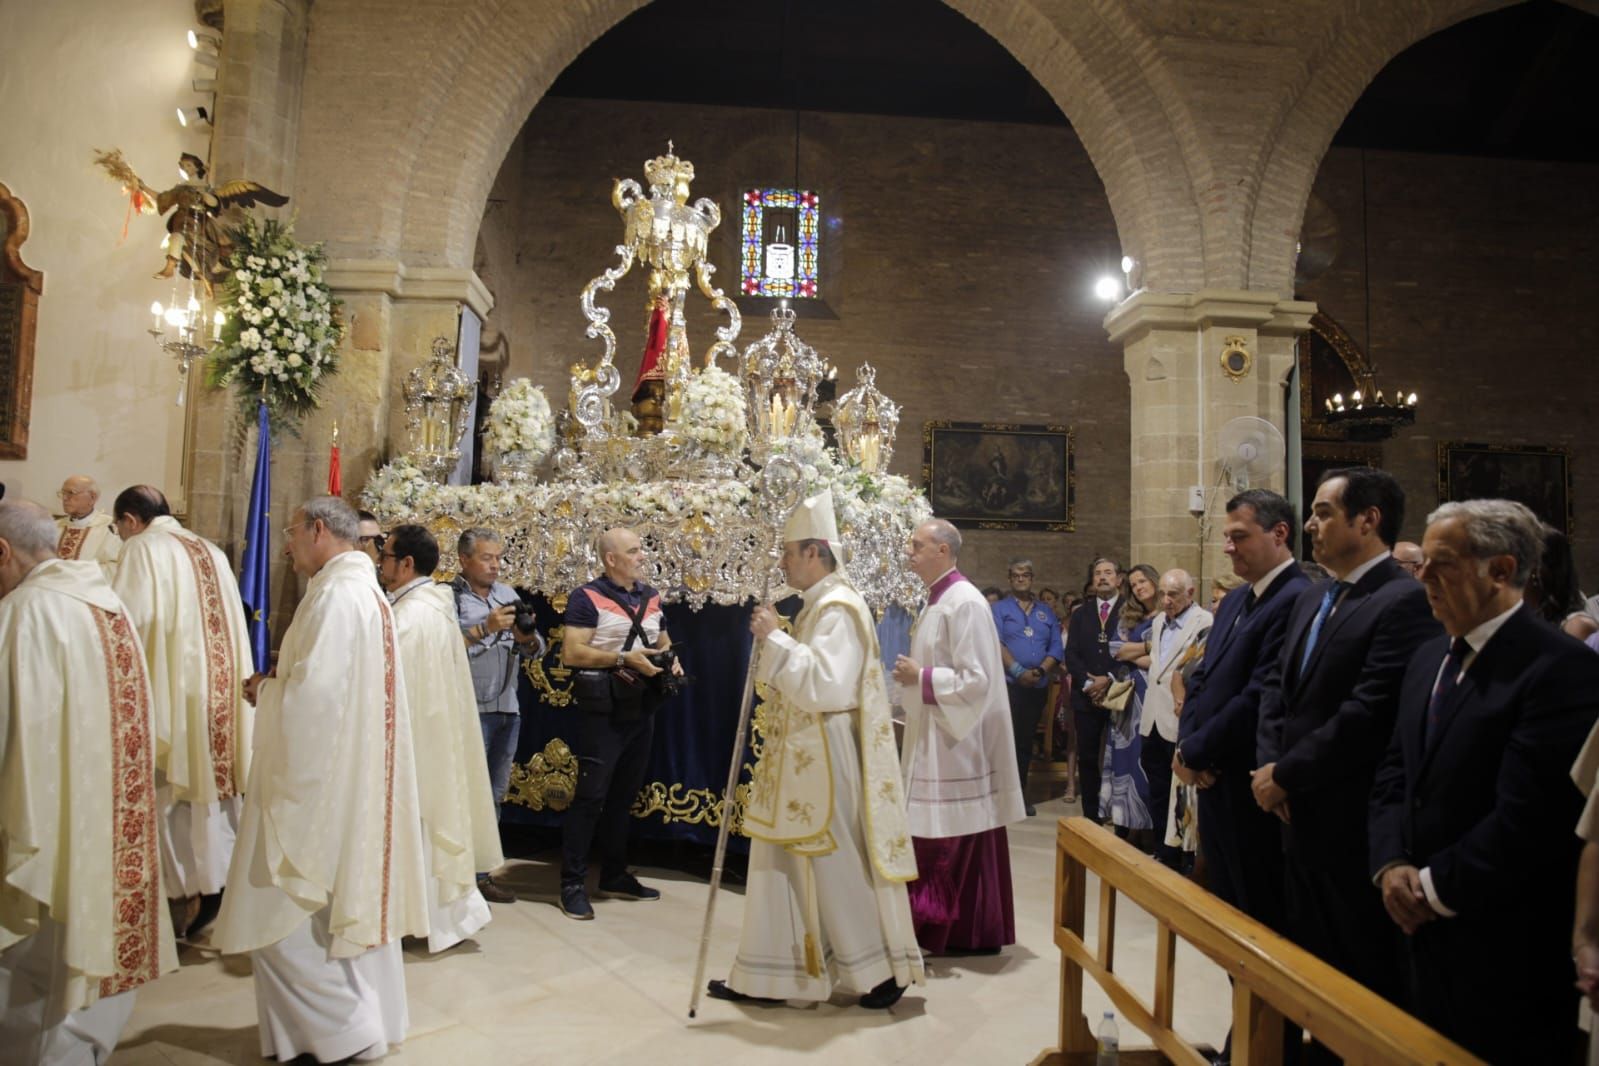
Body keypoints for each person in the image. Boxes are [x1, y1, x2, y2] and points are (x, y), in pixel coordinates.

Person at [1370, 499, 1599, 1063]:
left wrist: (1430, 887)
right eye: (1421, 561)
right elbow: (1395, 771)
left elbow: (1532, 815)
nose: (1421, 575)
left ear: (1499, 571)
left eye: (1440, 562)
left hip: (1502, 935)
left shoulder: (1559, 666)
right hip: (1414, 923)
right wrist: (1391, 863)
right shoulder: (1429, 657)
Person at [212, 496, 428, 1064]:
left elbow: (317, 701)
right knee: (336, 913)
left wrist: (267, 691)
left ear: (315, 529)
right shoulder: (361, 591)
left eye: (289, 532)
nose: (285, 545)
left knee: (278, 910)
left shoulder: (336, 594)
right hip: (350, 776)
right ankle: (351, 1026)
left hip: (319, 784)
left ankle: (341, 1032)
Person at [709, 490, 924, 1009]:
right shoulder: (815, 607)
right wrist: (780, 638)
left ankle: (879, 973)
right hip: (801, 758)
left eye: (787, 552)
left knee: (835, 865)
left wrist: (776, 639)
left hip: (824, 762)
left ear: (813, 552)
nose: (781, 563)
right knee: (776, 862)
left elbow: (827, 685)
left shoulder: (839, 608)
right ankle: (767, 976)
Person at [1253, 468, 1439, 1025]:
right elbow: (1275, 689)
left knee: (1360, 982)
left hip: (1347, 817)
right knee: (1305, 967)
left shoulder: (1402, 600)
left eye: (1324, 512)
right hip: (1292, 811)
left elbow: (1368, 712)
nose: (1310, 524)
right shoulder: (1313, 598)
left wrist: (1288, 772)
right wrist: (1269, 764)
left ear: (1369, 520)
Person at [0, 499, 177, 1064]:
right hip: (107, 816)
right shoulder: (106, 602)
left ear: (2, 552)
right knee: (80, 950)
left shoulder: (26, 613)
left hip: (47, 818)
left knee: (33, 963)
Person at [111, 484, 255, 943]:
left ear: (131, 521)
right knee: (212, 793)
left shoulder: (142, 550)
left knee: (169, 793)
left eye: (118, 529)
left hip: (171, 692)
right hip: (218, 696)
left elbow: (130, 623)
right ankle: (215, 883)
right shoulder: (208, 549)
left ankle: (179, 896)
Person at [1174, 490, 1308, 934]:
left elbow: (1259, 696)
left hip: (1250, 782)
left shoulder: (1298, 598)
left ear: (1279, 533)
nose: (1228, 547)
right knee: (1228, 912)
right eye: (1226, 537)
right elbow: (1201, 679)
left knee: (1260, 917)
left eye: (1239, 536)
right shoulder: (1233, 601)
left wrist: (1196, 751)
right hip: (1211, 775)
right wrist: (1188, 749)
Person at [892, 519, 1025, 954]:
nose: (910, 553)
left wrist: (921, 676)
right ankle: (964, 930)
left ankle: (935, 930)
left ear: (943, 552)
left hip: (955, 742)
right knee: (949, 834)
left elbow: (977, 680)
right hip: (937, 733)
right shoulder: (939, 601)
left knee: (943, 839)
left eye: (918, 545)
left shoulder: (963, 602)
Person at [379, 524, 504, 951]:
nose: (381, 562)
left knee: (423, 826)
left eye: (387, 554)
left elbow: (393, 688)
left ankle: (428, 916)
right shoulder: (429, 606)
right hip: (433, 734)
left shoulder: (412, 617)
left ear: (406, 564)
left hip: (419, 741)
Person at [558, 527, 680, 920]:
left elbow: (662, 640)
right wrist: (622, 659)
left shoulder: (651, 596)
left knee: (624, 797)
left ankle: (613, 874)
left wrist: (671, 658)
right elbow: (572, 652)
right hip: (603, 712)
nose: (642, 556)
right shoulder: (586, 597)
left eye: (642, 548)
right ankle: (571, 884)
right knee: (590, 798)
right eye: (634, 550)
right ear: (611, 559)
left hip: (642, 708)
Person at [454, 528, 545, 904]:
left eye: (498, 558)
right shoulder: (449, 597)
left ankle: (481, 874)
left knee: (493, 794)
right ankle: (453, 875)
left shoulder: (508, 595)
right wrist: (485, 628)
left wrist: (527, 639)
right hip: (468, 709)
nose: (494, 565)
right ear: (464, 560)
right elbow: (443, 646)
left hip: (508, 708)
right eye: (486, 558)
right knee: (461, 793)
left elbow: (536, 650)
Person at [1139, 569, 1211, 870]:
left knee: (1178, 789)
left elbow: (1195, 666)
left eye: (1173, 595)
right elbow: (1157, 665)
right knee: (1156, 784)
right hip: (1153, 713)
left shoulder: (1204, 621)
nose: (1166, 601)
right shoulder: (1158, 622)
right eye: (1163, 595)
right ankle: (1160, 847)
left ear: (1190, 594)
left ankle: (1181, 852)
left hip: (1178, 713)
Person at [991, 558, 1062, 817]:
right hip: (1009, 685)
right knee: (1005, 739)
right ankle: (1001, 796)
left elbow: (1056, 645)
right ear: (1009, 580)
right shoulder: (999, 609)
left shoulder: (1045, 611)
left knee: (1024, 741)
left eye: (1026, 575)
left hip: (1038, 684)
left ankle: (1020, 794)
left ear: (1032, 578)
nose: (1021, 579)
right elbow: (996, 642)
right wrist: (1018, 671)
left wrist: (1041, 669)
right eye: (1016, 575)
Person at [1064, 558, 1124, 823]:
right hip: (1086, 695)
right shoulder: (1081, 613)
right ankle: (1091, 813)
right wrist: (1089, 684)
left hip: (1119, 692)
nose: (1102, 577)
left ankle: (1120, 813)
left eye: (1108, 573)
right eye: (1098, 573)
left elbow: (1129, 651)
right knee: (1088, 756)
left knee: (1120, 755)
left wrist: (1108, 678)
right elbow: (1072, 653)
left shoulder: (1128, 610)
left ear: (1119, 579)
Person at [1101, 564, 1159, 835]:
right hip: (1128, 701)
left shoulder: (1167, 615)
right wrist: (1149, 646)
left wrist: (1145, 654)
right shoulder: (1130, 616)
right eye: (1134, 584)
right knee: (1126, 758)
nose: (1138, 587)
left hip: (1155, 697)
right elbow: (1117, 650)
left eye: (1143, 581)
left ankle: (1149, 828)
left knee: (1148, 760)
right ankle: (1125, 824)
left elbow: (1165, 657)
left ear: (1155, 581)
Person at [54, 475, 121, 581]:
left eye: (71, 493)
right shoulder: (53, 526)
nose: (64, 498)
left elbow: (114, 567)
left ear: (92, 497)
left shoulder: (111, 528)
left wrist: (75, 575)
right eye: (63, 493)